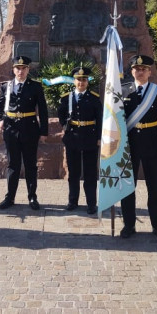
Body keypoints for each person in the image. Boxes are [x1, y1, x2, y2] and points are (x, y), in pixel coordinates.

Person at [119, 55, 157, 240]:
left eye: (144, 69)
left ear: (150, 72)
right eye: (137, 68)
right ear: (132, 71)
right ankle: (129, 225)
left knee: (154, 188)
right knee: (128, 188)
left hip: (152, 144)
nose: (140, 71)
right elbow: (115, 119)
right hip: (130, 145)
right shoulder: (123, 91)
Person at [0, 55, 49, 210]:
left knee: (31, 164)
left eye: (23, 68)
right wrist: (0, 119)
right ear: (13, 70)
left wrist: (44, 131)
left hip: (30, 128)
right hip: (11, 129)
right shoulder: (6, 86)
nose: (20, 71)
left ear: (28, 69)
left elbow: (43, 110)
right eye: (18, 68)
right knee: (13, 165)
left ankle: (32, 197)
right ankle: (10, 197)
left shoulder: (35, 86)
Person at [57, 65, 102, 214]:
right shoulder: (66, 98)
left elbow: (100, 119)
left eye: (84, 80)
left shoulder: (94, 98)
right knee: (73, 172)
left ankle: (91, 203)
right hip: (73, 138)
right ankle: (72, 201)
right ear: (74, 81)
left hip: (90, 137)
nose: (81, 83)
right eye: (78, 80)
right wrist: (65, 126)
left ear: (87, 81)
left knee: (90, 173)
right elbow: (61, 115)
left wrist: (99, 138)